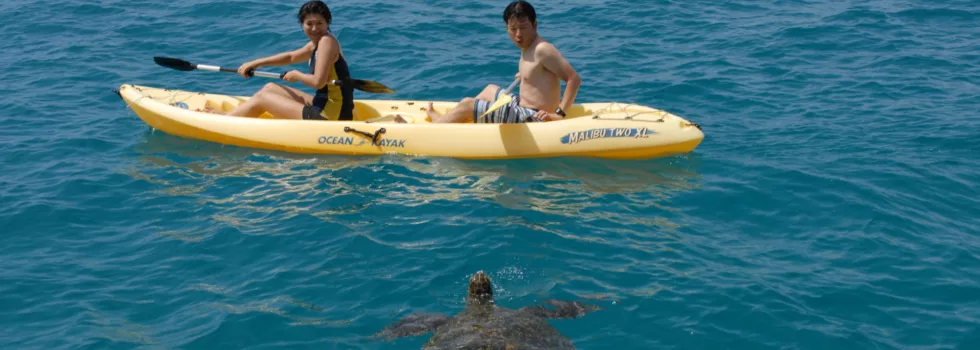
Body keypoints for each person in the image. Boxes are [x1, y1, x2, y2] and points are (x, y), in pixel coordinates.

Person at [427, 1, 581, 124]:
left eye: (523, 27)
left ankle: (438, 126)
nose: (518, 34)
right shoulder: (528, 47)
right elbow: (540, 72)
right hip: (522, 107)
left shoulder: (542, 49)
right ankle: (459, 120)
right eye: (513, 29)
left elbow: (573, 79)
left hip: (535, 117)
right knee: (490, 89)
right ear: (507, 28)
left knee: (468, 103)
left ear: (535, 25)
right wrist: (527, 75)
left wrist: (559, 114)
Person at [209, 1, 355, 121]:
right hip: (324, 103)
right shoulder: (318, 42)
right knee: (270, 87)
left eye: (319, 23)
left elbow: (318, 82)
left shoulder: (326, 42)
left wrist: (296, 75)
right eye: (309, 24)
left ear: (327, 23)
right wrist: (256, 63)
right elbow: (291, 57)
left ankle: (225, 119)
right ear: (302, 25)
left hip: (331, 116)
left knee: (262, 98)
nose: (314, 28)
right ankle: (237, 114)